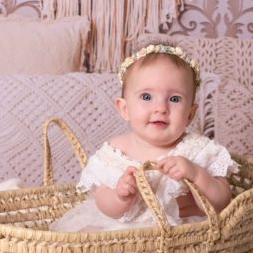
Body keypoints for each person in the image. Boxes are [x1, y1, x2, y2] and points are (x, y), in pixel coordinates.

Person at [50, 43, 239, 232]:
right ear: (125, 109)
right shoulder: (115, 152)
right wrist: (119, 197)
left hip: (184, 236)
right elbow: (101, 201)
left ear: (190, 114)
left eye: (174, 99)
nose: (161, 108)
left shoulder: (199, 150)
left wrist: (196, 174)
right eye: (147, 97)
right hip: (123, 232)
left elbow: (222, 201)